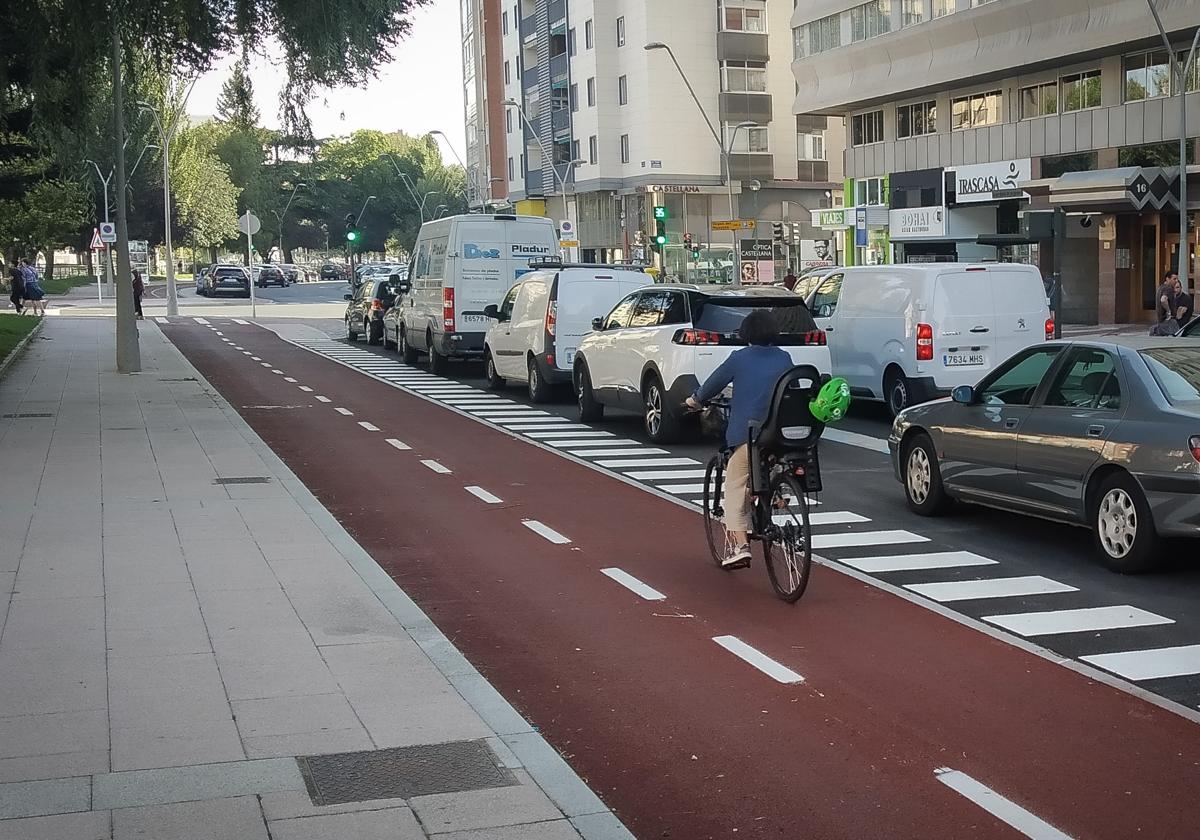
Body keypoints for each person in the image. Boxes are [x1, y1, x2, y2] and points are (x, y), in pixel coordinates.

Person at [685, 309, 794, 568]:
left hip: (751, 435)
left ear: (746, 333)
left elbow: (711, 386)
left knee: (735, 484)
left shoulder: (739, 358)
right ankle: (778, 494)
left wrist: (694, 400)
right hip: (781, 434)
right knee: (768, 466)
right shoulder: (784, 357)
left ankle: (741, 546)